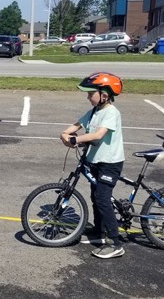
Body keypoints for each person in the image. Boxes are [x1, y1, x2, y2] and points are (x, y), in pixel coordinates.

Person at [60, 72, 125, 259]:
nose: (88, 97)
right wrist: (65, 134)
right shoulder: (94, 112)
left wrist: (74, 139)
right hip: (95, 160)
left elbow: (97, 135)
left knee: (103, 199)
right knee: (95, 197)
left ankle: (116, 243)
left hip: (109, 163)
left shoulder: (111, 113)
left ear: (104, 95)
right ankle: (99, 233)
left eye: (91, 94)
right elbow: (74, 127)